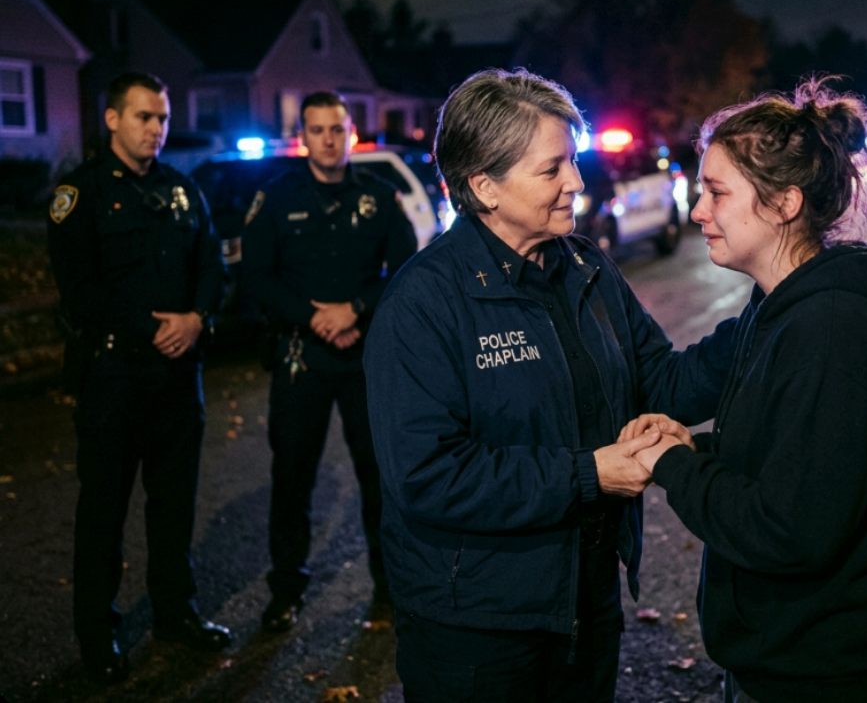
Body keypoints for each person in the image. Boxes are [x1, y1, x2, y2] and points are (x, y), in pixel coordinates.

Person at [364, 68, 736, 702]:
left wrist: (773, 307)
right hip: (479, 630)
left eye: (573, 161)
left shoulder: (585, 267)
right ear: (483, 186)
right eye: (552, 169)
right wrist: (590, 475)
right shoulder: (424, 303)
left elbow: (663, 381)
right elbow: (427, 475)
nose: (576, 183)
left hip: (586, 602)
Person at [621, 81, 867, 703]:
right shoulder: (779, 307)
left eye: (717, 192)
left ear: (785, 202)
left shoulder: (832, 333)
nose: (699, 210)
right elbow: (681, 387)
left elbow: (787, 531)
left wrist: (675, 464)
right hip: (781, 662)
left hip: (822, 677)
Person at [47, 72, 232, 684]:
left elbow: (212, 266)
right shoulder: (81, 194)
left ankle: (176, 613)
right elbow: (79, 290)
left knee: (173, 505)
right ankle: (98, 636)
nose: (156, 129)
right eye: (143, 117)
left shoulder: (182, 192)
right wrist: (150, 327)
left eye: (162, 118)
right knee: (104, 508)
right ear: (112, 120)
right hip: (114, 376)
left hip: (179, 377)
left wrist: (197, 317)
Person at [241, 91, 417, 633]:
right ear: (303, 137)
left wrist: (355, 310)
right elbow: (255, 278)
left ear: (351, 133)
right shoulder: (274, 199)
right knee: (292, 478)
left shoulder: (381, 198)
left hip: (366, 359)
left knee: (381, 478)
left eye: (337, 129)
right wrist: (313, 317)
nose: (328, 139)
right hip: (302, 359)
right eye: (317, 130)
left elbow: (407, 272)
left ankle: (392, 591)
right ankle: (286, 592)